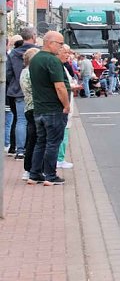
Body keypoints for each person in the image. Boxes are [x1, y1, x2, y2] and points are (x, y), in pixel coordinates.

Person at [27, 31, 70, 186]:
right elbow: (59, 86)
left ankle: (35, 173)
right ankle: (50, 176)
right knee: (53, 143)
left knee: (41, 142)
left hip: (39, 108)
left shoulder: (35, 59)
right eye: (59, 44)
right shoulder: (52, 61)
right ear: (50, 42)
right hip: (53, 108)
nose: (61, 47)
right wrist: (66, 105)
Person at [7, 27, 37, 160]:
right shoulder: (37, 52)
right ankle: (31, 147)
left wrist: (14, 84)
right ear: (33, 36)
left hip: (17, 91)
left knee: (20, 120)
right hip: (35, 91)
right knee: (34, 121)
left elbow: (8, 73)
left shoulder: (13, 53)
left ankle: (20, 150)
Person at [19, 47, 39, 180]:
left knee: (32, 139)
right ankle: (32, 168)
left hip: (28, 107)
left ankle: (29, 169)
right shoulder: (30, 72)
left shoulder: (24, 72)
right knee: (36, 140)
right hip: (35, 107)